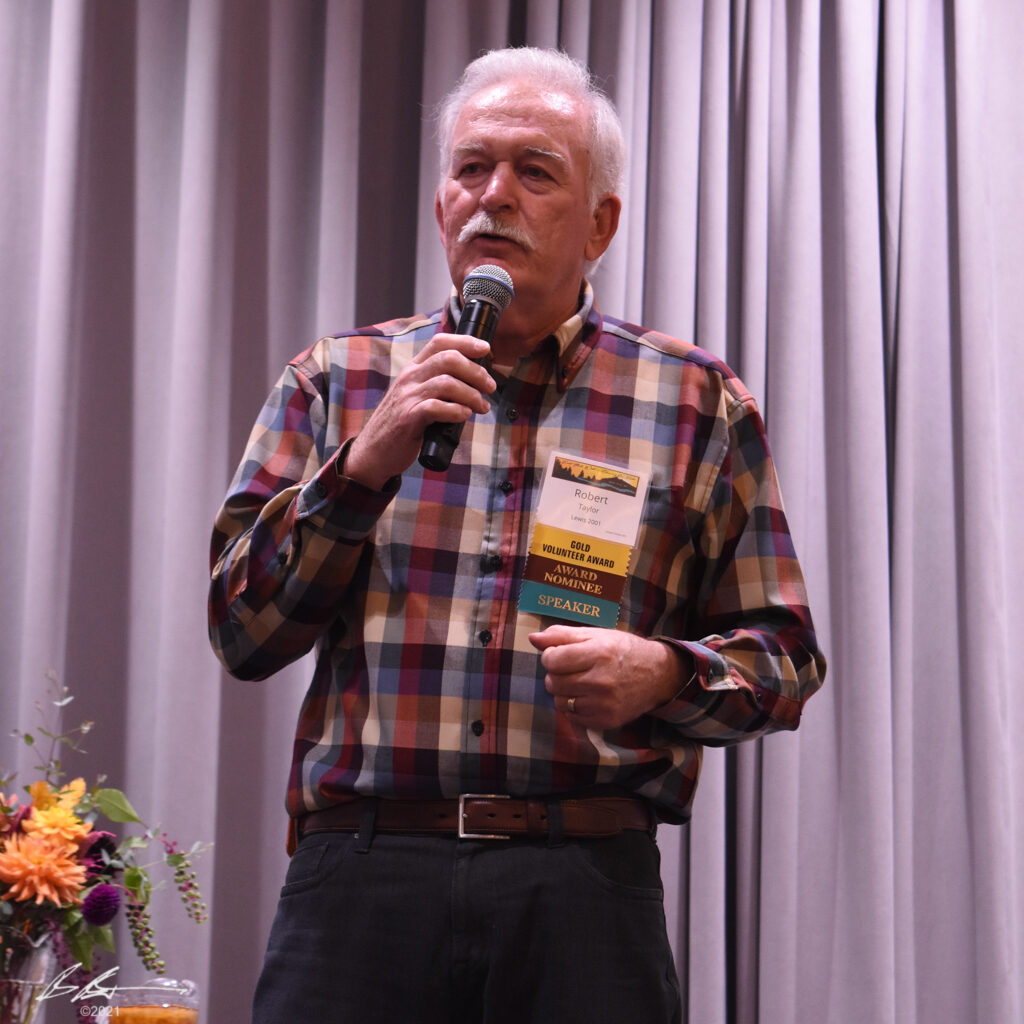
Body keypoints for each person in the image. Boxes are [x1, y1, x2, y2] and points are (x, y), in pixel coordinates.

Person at [208, 46, 825, 1024]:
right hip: (364, 879)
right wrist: (361, 466)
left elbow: (785, 659)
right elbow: (241, 631)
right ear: (442, 204)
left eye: (535, 170)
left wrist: (664, 673)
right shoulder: (337, 379)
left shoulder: (693, 400)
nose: (494, 195)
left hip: (584, 888)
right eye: (470, 167)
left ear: (600, 223)